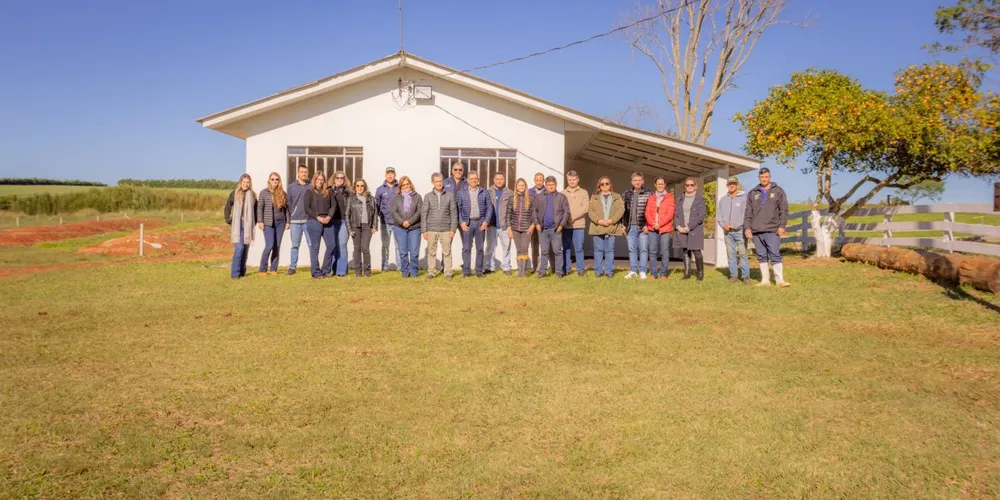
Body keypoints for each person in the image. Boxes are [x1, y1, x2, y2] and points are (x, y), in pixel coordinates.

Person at [744, 167, 790, 287]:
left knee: (774, 253)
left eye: (766, 177)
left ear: (770, 177)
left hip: (772, 229)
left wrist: (782, 226)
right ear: (759, 178)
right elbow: (748, 212)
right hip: (757, 230)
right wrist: (747, 228)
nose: (764, 179)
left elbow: (784, 210)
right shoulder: (753, 193)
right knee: (761, 255)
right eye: (761, 177)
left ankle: (780, 280)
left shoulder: (779, 191)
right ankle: (765, 280)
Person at [455, 171, 494, 278]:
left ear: (478, 179)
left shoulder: (484, 192)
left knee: (480, 248)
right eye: (471, 178)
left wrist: (486, 222)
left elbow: (489, 208)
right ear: (467, 180)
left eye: (475, 178)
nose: (474, 180)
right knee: (466, 248)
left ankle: (479, 271)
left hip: (480, 223)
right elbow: (458, 209)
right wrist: (461, 222)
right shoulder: (461, 192)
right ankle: (467, 271)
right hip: (467, 223)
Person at [532, 175, 570, 279]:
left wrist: (561, 225)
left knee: (557, 251)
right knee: (544, 251)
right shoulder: (539, 197)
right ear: (546, 185)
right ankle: (542, 271)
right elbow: (534, 211)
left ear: (556, 185)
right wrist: (537, 224)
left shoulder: (561, 197)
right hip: (543, 229)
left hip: (556, 229)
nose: (550, 186)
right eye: (548, 185)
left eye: (552, 184)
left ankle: (558, 272)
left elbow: (566, 212)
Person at [421, 172, 457, 279]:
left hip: (446, 229)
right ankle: (431, 271)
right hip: (431, 229)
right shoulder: (427, 196)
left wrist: (453, 229)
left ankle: (448, 272)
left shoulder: (450, 195)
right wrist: (424, 230)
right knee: (431, 251)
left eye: (440, 181)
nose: (439, 183)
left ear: (443, 181)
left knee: (447, 252)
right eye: (436, 181)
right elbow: (424, 213)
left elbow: (453, 213)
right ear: (432, 182)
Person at [588, 176, 624, 279]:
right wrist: (599, 220)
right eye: (602, 184)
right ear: (599, 185)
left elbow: (620, 210)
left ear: (610, 185)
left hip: (611, 226)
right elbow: (590, 211)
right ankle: (598, 271)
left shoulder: (617, 197)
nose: (604, 185)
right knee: (598, 250)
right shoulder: (594, 197)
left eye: (606, 183)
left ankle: (609, 271)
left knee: (609, 250)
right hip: (597, 226)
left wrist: (611, 220)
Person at [718, 176, 751, 284]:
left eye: (734, 184)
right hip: (727, 232)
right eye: (730, 184)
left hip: (740, 231)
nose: (732, 185)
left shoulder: (744, 197)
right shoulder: (723, 200)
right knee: (730, 254)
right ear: (727, 185)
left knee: (742, 253)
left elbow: (746, 214)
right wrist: (724, 225)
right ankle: (733, 275)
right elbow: (719, 215)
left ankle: (746, 276)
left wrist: (738, 225)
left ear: (737, 185)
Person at [673, 177, 707, 281]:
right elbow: (676, 215)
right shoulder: (680, 199)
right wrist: (678, 226)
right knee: (685, 251)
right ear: (684, 187)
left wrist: (689, 227)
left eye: (691, 185)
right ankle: (687, 273)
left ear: (695, 186)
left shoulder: (700, 199)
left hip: (694, 229)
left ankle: (700, 273)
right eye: (687, 185)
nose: (689, 187)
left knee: (696, 251)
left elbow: (701, 216)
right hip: (682, 229)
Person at [256, 172, 289, 277]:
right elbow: (259, 208)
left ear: (279, 181)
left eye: (277, 179)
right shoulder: (263, 193)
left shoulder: (283, 193)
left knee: (277, 246)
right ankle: (262, 269)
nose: (275, 181)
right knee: (269, 245)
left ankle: (274, 268)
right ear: (269, 181)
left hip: (280, 222)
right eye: (273, 179)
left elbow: (287, 209)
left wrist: (288, 221)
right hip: (268, 223)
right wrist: (260, 221)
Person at [224, 173, 256, 279]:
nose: (246, 184)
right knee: (239, 248)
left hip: (248, 225)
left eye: (248, 182)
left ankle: (242, 272)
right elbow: (228, 207)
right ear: (240, 182)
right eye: (244, 182)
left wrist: (253, 222)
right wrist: (228, 219)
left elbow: (256, 210)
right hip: (238, 225)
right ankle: (235, 274)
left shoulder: (252, 195)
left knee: (245, 249)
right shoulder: (235, 193)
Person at [621, 172, 652, 279]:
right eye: (635, 180)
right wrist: (623, 224)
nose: (637, 182)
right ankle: (633, 270)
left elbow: (651, 211)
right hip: (630, 227)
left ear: (642, 181)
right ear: (632, 182)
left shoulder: (649, 194)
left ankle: (642, 270)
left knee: (643, 249)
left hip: (643, 227)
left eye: (639, 180)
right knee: (632, 249)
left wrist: (648, 225)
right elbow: (623, 211)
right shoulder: (626, 194)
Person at [304, 172, 335, 279]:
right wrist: (318, 217)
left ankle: (326, 270)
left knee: (331, 245)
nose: (319, 181)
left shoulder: (329, 192)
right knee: (315, 247)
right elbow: (307, 208)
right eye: (317, 179)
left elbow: (333, 206)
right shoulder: (309, 192)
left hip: (328, 221)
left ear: (324, 180)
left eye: (321, 179)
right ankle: (316, 272)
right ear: (314, 180)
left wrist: (329, 217)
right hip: (314, 221)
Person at [644, 177, 675, 280]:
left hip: (664, 228)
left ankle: (663, 274)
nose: (660, 185)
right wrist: (653, 223)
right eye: (658, 184)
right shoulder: (651, 197)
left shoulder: (670, 197)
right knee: (652, 251)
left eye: (662, 183)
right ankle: (653, 273)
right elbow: (647, 212)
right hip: (652, 228)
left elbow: (670, 214)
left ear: (665, 184)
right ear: (655, 185)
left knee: (664, 252)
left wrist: (660, 224)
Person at [346, 178, 378, 277]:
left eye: (362, 186)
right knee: (357, 249)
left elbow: (375, 213)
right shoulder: (351, 199)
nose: (360, 188)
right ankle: (358, 272)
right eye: (358, 186)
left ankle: (367, 272)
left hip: (367, 227)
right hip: (355, 226)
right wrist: (349, 229)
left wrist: (375, 225)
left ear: (365, 187)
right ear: (355, 187)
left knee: (365, 248)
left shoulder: (370, 198)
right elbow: (347, 214)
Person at [392, 176, 422, 278]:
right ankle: (405, 272)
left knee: (414, 251)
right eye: (403, 185)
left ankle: (414, 272)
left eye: (407, 184)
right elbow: (394, 212)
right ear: (400, 187)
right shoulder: (396, 198)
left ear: (410, 184)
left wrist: (409, 221)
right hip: (400, 228)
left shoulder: (417, 197)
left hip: (415, 227)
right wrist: (402, 222)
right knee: (403, 252)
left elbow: (419, 212)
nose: (405, 186)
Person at [561, 170, 589, 277]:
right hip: (566, 225)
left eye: (573, 179)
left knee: (579, 248)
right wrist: (567, 219)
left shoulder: (584, 192)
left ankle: (580, 270)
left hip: (578, 225)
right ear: (567, 180)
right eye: (569, 180)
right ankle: (566, 269)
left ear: (577, 179)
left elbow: (585, 208)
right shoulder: (562, 193)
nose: (572, 181)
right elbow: (561, 209)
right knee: (566, 247)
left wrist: (572, 217)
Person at [506, 178, 535, 278]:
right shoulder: (512, 198)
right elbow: (508, 214)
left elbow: (534, 213)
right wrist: (509, 228)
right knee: (519, 249)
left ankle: (523, 272)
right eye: (519, 185)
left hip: (527, 228)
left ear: (525, 186)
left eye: (523, 185)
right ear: (516, 187)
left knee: (524, 249)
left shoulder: (531, 198)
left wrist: (533, 225)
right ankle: (520, 273)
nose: (521, 187)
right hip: (515, 228)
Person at [486, 172, 513, 275]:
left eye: (501, 179)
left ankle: (506, 268)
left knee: (506, 247)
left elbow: (512, 210)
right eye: (497, 179)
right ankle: (489, 267)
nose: (499, 181)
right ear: (493, 180)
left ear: (504, 180)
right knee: (490, 247)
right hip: (491, 225)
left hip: (504, 225)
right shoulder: (488, 192)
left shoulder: (510, 193)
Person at [285, 164, 310, 275]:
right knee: (295, 245)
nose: (304, 174)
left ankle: (315, 265)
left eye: (305, 172)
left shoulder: (311, 186)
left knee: (312, 244)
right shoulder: (291, 187)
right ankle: (292, 267)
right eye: (302, 172)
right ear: (298, 173)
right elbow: (288, 205)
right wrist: (288, 219)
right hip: (295, 221)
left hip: (308, 220)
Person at [327, 172, 351, 277]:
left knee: (342, 245)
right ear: (334, 179)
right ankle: (333, 269)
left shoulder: (349, 192)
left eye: (342, 178)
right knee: (333, 246)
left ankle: (341, 271)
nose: (340, 179)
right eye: (338, 178)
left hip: (343, 221)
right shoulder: (329, 191)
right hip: (331, 221)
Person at [374, 167, 398, 271]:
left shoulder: (399, 188)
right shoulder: (380, 189)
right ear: (385, 175)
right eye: (388, 174)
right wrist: (381, 216)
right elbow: (376, 206)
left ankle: (400, 267)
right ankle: (384, 267)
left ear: (395, 175)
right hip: (385, 222)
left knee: (399, 246)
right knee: (385, 245)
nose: (390, 176)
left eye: (392, 173)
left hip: (398, 223)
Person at [528, 172, 546, 273]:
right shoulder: (529, 192)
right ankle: (534, 267)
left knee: (544, 247)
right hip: (531, 224)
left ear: (543, 181)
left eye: (540, 180)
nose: (539, 182)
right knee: (534, 247)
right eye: (537, 180)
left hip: (543, 224)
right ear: (534, 181)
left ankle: (541, 267)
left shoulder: (547, 191)